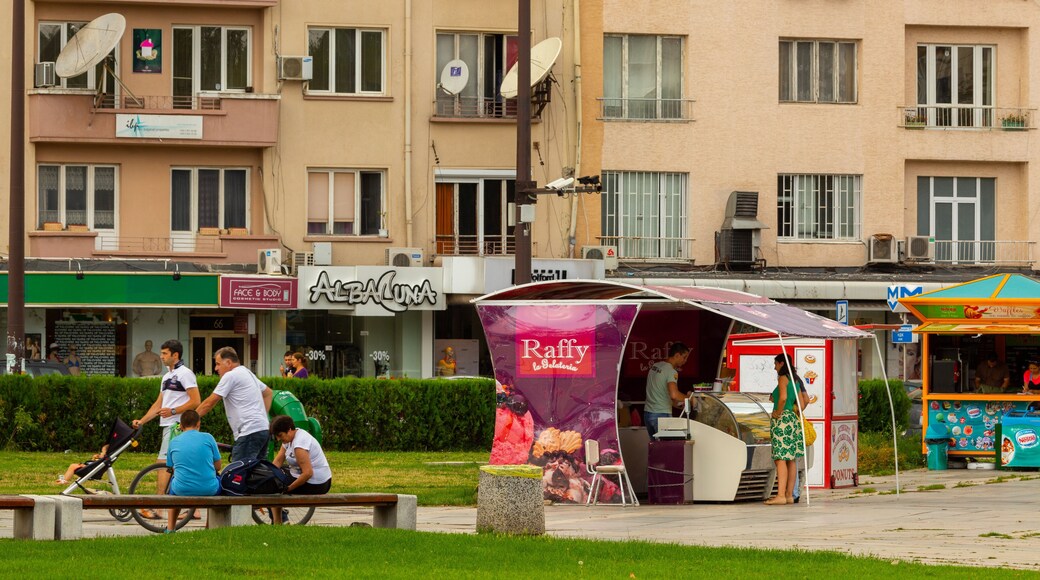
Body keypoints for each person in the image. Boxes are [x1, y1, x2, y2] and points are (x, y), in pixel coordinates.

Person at [132, 339, 200, 517]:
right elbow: (158, 404)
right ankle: (194, 510)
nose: (161, 356)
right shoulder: (166, 376)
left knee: (162, 463)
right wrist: (142, 421)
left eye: (164, 353)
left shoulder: (185, 374)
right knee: (180, 465)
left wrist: (173, 411)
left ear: (175, 355)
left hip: (177, 425)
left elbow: (196, 401)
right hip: (170, 425)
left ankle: (159, 505)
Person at [196, 346, 273, 462]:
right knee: (257, 471)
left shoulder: (230, 375)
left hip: (248, 432)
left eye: (218, 364)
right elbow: (268, 393)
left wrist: (189, 420)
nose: (216, 368)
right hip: (262, 429)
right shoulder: (246, 372)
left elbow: (210, 402)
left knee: (238, 470)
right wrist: (260, 416)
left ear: (228, 362)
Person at [164, 410, 221, 533]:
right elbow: (218, 466)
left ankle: (170, 528)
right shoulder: (208, 438)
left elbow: (171, 467)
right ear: (198, 423)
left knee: (173, 487)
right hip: (209, 488)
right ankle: (208, 527)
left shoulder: (173, 442)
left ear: (181, 425)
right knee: (219, 482)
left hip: (181, 489)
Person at [269, 415, 332, 524]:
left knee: (275, 484)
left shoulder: (299, 444)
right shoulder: (289, 439)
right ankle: (278, 522)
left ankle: (278, 522)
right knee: (273, 477)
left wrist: (288, 488)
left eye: (280, 435)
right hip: (304, 475)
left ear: (289, 430)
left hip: (318, 483)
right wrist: (268, 474)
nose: (278, 439)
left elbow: (308, 473)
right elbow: (278, 461)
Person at [767, 353, 804, 505]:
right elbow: (802, 403)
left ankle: (780, 495)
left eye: (775, 364)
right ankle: (789, 495)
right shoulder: (795, 380)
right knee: (791, 459)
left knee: (780, 458)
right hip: (792, 419)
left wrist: (778, 412)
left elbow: (782, 397)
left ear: (781, 363)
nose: (774, 367)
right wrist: (791, 410)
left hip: (782, 420)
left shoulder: (782, 378)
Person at [643, 342, 692, 439]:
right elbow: (674, 395)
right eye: (684, 357)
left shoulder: (655, 366)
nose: (685, 361)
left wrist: (679, 405)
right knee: (666, 447)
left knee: (655, 446)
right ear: (677, 355)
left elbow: (661, 394)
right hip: (661, 415)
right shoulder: (671, 371)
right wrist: (689, 398)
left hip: (648, 414)